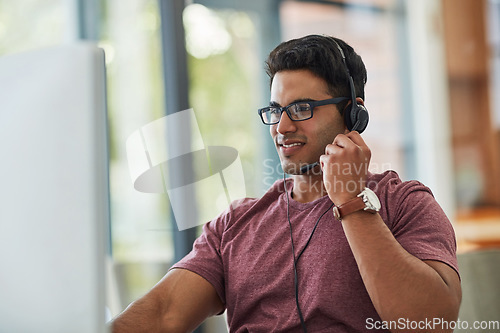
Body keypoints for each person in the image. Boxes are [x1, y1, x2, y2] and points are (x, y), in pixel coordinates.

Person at [111, 34, 461, 333]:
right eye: (276, 110)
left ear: (353, 113)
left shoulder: (403, 202)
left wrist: (352, 202)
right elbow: (164, 312)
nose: (282, 127)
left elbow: (430, 323)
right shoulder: (235, 224)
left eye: (303, 108)